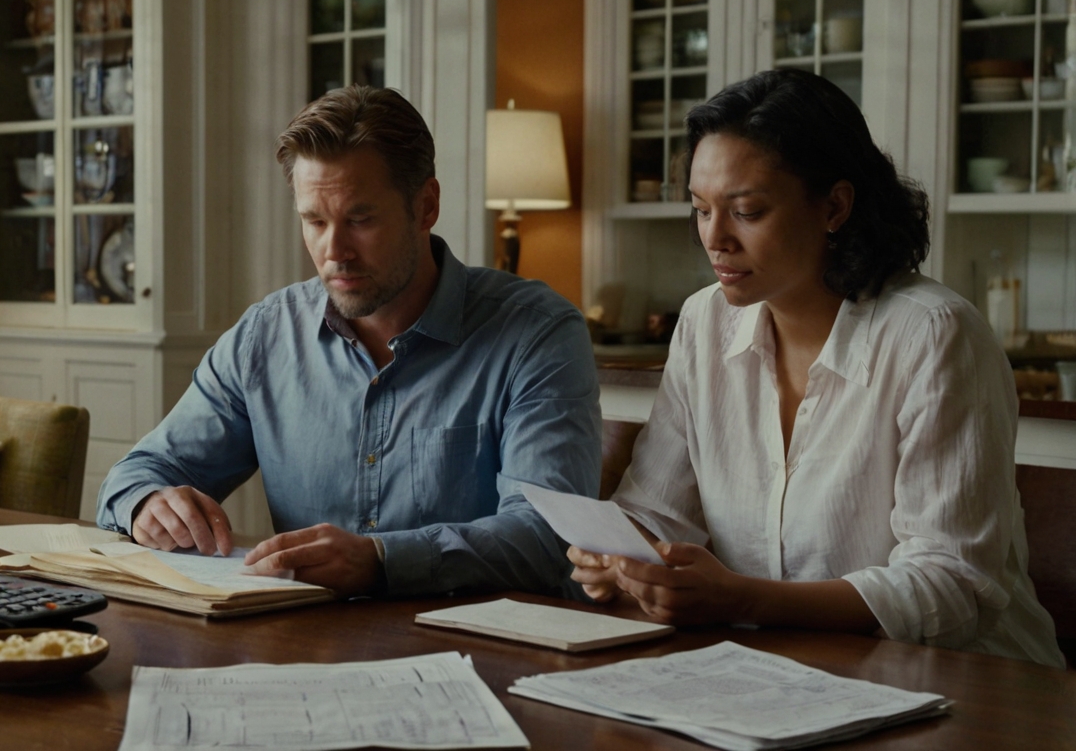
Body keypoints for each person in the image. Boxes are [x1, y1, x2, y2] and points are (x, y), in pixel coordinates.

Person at [570, 69, 1064, 668]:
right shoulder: (703, 323)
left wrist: (747, 598)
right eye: (701, 210)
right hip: (776, 673)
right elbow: (655, 509)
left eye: (746, 211)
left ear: (834, 205)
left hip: (972, 689)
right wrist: (624, 559)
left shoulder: (933, 334)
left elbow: (952, 585)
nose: (715, 238)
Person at [98, 85, 601, 599]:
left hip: (482, 652)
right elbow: (138, 472)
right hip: (304, 645)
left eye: (360, 220)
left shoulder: (537, 334)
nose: (333, 251)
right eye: (314, 221)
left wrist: (382, 560)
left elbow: (548, 535)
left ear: (426, 206)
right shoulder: (265, 336)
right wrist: (146, 503)